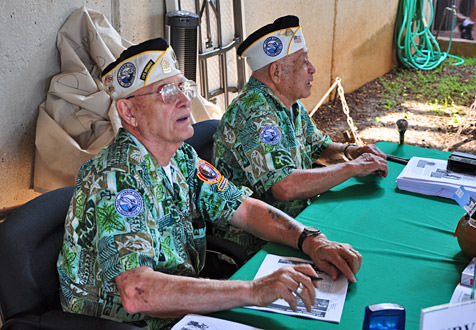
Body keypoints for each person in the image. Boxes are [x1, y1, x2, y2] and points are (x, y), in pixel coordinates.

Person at [56, 38, 362, 330]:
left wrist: (310, 240)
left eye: (183, 87)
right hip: (132, 324)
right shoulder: (115, 178)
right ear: (128, 111)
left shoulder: (182, 158)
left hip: (182, 313)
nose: (183, 100)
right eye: (165, 92)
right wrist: (254, 290)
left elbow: (243, 208)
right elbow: (138, 292)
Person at [212, 15, 387, 253]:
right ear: (276, 72)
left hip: (297, 223)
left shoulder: (288, 103)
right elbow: (284, 187)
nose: (312, 69)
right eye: (304, 61)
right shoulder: (253, 111)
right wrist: (353, 168)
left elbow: (319, 147)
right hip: (259, 244)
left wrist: (351, 152)